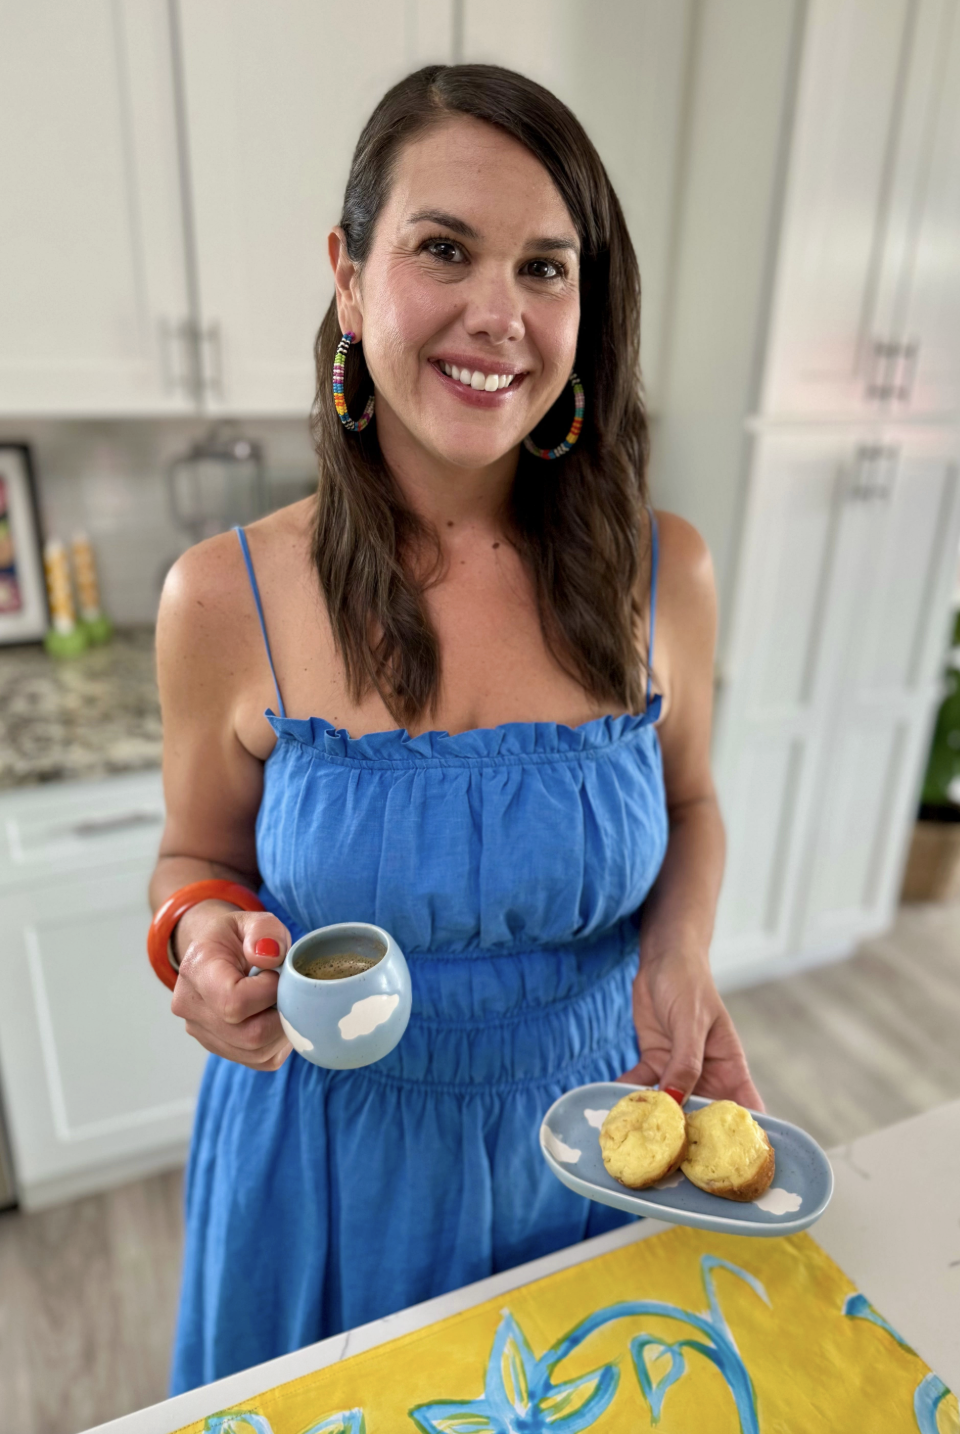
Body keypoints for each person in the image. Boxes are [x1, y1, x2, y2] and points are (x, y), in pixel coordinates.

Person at [152, 63, 761, 1394]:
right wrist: (202, 945)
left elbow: (696, 802)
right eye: (444, 248)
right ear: (351, 274)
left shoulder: (669, 573)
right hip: (322, 1174)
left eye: (547, 267)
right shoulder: (223, 595)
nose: (500, 313)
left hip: (595, 1149)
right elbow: (191, 858)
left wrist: (680, 948)